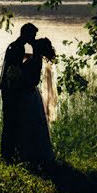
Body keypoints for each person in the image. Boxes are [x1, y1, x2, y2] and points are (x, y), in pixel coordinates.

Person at [0, 22, 37, 163]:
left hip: (8, 89)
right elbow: (15, 70)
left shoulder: (15, 45)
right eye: (33, 34)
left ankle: (8, 152)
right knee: (11, 122)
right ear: (26, 34)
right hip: (11, 90)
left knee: (11, 121)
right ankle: (7, 154)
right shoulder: (17, 48)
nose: (34, 37)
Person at [18, 37, 56, 166]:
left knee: (31, 123)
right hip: (32, 94)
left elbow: (33, 80)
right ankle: (32, 154)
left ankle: (31, 154)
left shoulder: (35, 60)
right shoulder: (35, 58)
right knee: (33, 123)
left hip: (29, 94)